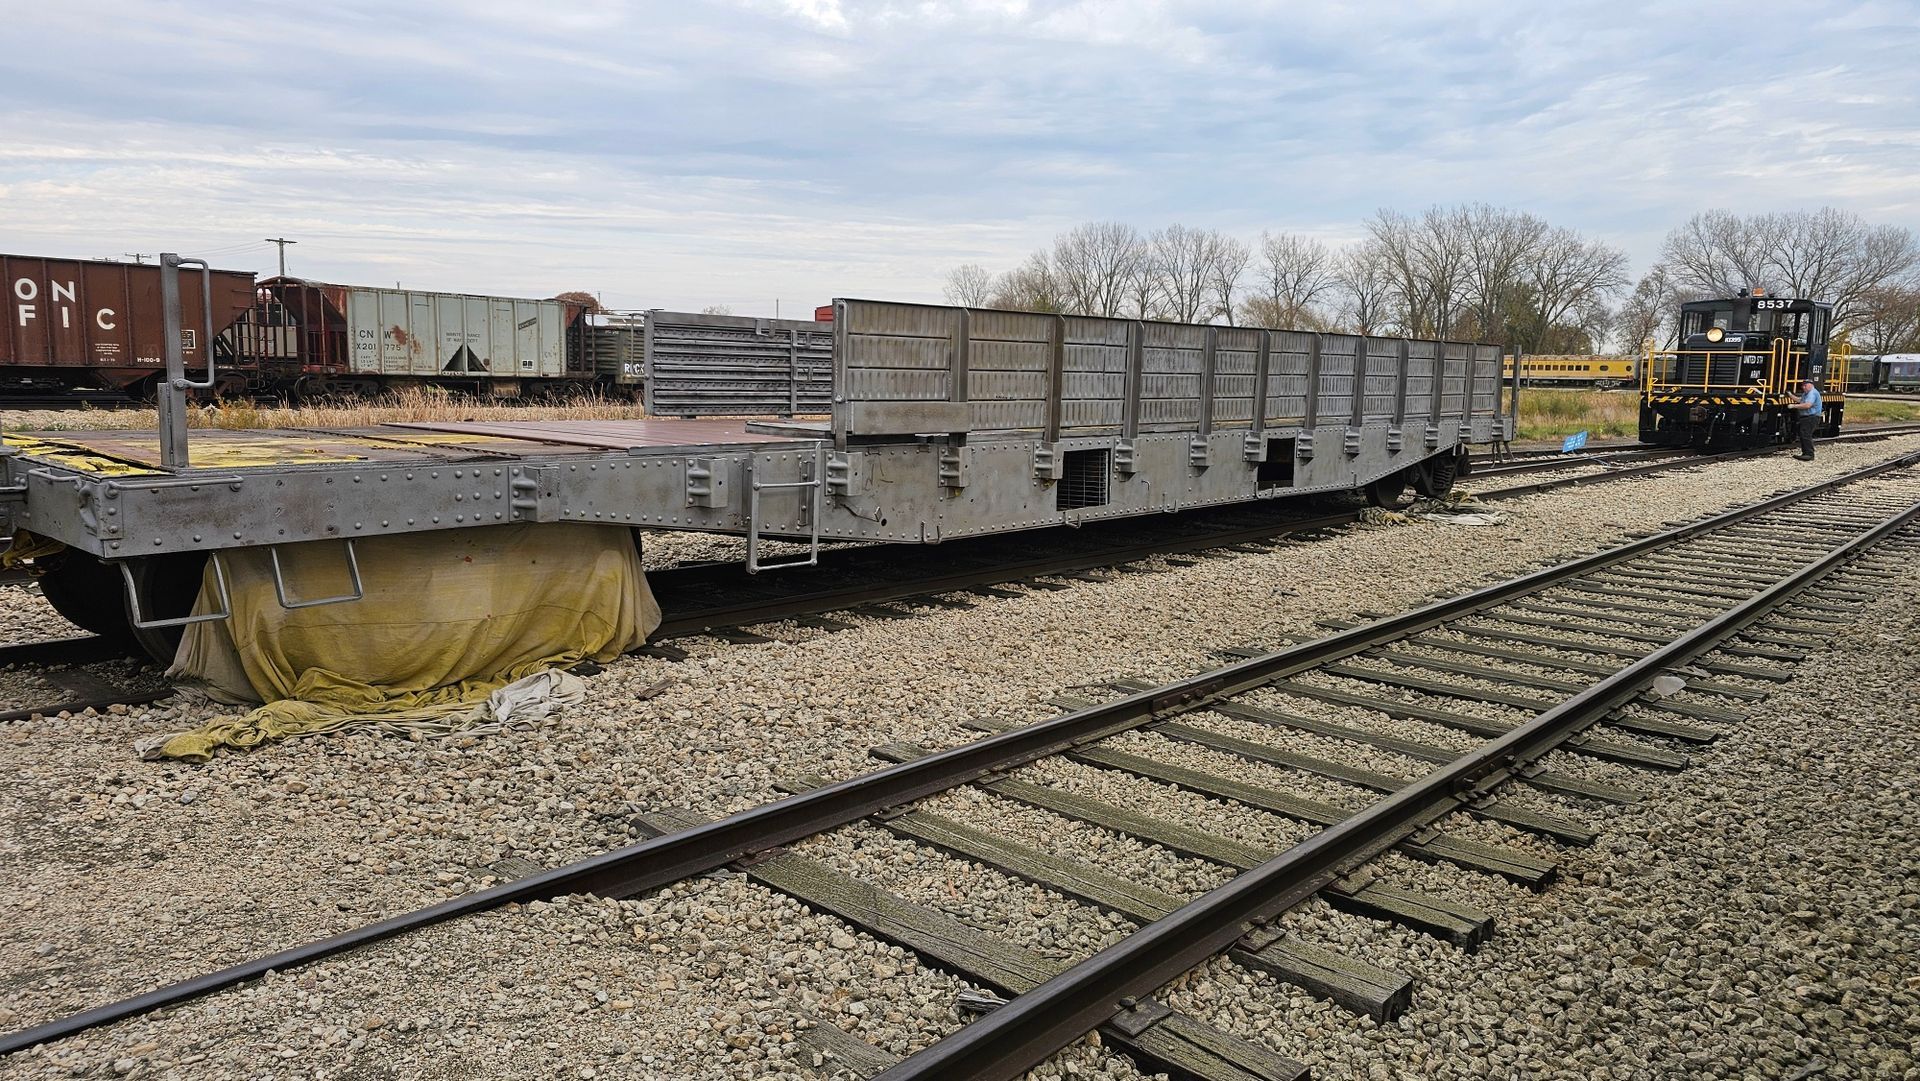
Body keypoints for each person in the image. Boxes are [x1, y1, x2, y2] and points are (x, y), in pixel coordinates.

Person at [1788, 379, 1823, 460]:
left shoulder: (1812, 393)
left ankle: (1809, 454)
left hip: (1811, 417)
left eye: (1805, 385)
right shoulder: (1806, 394)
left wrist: (1793, 406)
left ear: (1811, 385)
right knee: (1803, 434)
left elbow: (1807, 405)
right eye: (1802, 385)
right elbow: (1800, 400)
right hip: (1807, 417)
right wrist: (1790, 395)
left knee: (1806, 434)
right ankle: (1805, 453)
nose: (1803, 387)